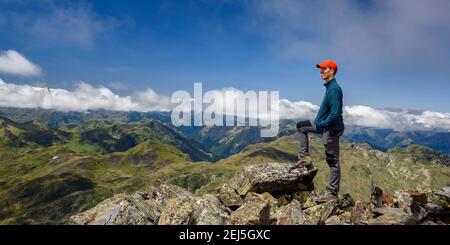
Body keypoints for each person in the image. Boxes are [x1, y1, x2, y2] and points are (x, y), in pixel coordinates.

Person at [296, 60, 345, 203]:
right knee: (301, 126)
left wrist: (322, 124)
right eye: (321, 69)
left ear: (332, 71)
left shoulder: (334, 89)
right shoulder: (329, 87)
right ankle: (304, 157)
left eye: (324, 69)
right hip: (324, 126)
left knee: (333, 162)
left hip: (330, 130)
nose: (321, 71)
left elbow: (335, 114)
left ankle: (332, 194)